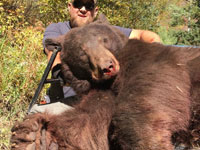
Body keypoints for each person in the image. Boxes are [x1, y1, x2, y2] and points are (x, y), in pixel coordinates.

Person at [29, 0, 161, 114]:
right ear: (69, 6)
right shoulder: (57, 29)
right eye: (78, 4)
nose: (83, 9)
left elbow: (141, 34)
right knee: (36, 116)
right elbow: (54, 56)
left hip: (104, 99)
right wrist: (64, 74)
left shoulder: (104, 30)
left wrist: (155, 45)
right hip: (67, 101)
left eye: (89, 5)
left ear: (95, 11)